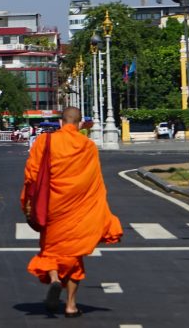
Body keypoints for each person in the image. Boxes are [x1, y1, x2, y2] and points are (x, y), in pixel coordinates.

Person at [21, 105, 123, 317]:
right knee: (75, 257)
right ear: (78, 124)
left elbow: (32, 175)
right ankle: (70, 305)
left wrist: (28, 202)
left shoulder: (45, 141)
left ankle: (55, 279)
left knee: (50, 250)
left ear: (60, 122)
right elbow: (94, 181)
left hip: (52, 207)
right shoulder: (88, 146)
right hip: (78, 209)